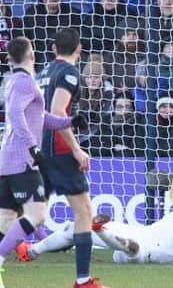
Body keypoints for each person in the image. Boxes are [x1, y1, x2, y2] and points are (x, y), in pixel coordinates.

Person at [17, 140, 173, 264]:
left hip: (153, 253)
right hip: (142, 233)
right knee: (73, 227)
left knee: (133, 250)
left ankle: (103, 231)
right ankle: (31, 252)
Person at [0, 37, 83, 286]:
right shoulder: (25, 83)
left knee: (6, 219)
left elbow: (40, 116)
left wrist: (69, 122)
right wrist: (33, 147)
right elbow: (15, 114)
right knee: (36, 214)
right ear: (32, 56)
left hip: (8, 159)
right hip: (21, 160)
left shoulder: (16, 82)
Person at [38, 28, 105, 288]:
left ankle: (22, 250)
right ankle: (83, 280)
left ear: (54, 49)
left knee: (28, 213)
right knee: (84, 212)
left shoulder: (44, 71)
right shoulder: (69, 72)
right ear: (80, 48)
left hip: (41, 148)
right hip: (60, 150)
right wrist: (76, 148)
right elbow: (57, 111)